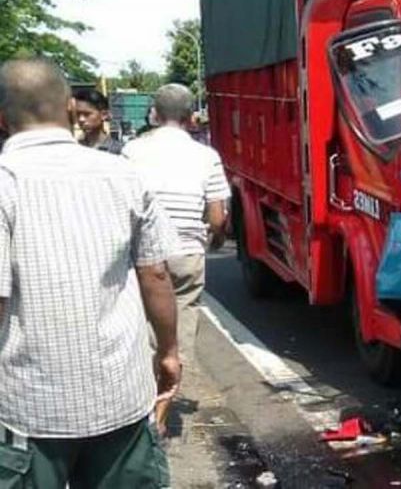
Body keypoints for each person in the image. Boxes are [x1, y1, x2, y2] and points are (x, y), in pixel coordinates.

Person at [0, 58, 180, 487]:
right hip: (119, 398)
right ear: (68, 108)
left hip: (29, 409)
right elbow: (155, 275)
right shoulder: (123, 174)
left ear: (2, 119)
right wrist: (168, 351)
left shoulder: (4, 183)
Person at [123, 84, 229, 315]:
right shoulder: (207, 156)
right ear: (191, 117)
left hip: (144, 254)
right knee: (185, 317)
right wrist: (216, 239)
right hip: (187, 252)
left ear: (155, 115)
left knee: (149, 321)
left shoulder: (131, 151)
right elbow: (217, 217)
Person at [74, 89, 123, 154]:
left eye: (87, 114)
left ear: (104, 115)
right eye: (77, 114)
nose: (81, 119)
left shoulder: (118, 151)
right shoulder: (75, 149)